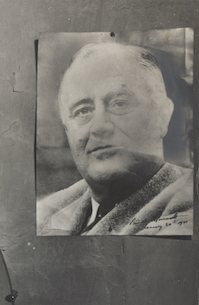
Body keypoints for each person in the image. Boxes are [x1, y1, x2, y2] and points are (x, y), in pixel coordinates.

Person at [36, 42, 193, 236]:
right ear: (68, 131)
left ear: (162, 116)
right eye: (83, 110)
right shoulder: (45, 214)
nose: (100, 126)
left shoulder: (188, 208)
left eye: (120, 104)